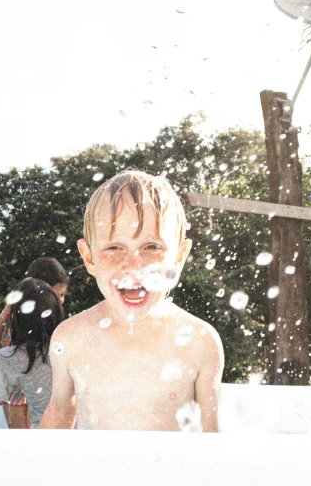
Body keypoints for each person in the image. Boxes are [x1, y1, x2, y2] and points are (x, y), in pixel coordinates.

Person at [40, 170, 224, 432]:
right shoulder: (70, 338)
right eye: (114, 248)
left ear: (179, 257)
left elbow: (211, 439)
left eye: (152, 247)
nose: (134, 265)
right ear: (89, 257)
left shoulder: (200, 341)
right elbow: (60, 411)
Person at [0, 277, 64, 428]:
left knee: (12, 392)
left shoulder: (13, 358)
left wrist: (7, 309)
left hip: (45, 439)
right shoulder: (70, 347)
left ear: (16, 317)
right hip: (82, 436)